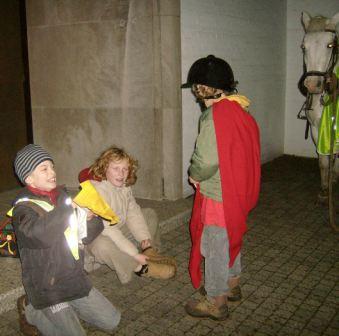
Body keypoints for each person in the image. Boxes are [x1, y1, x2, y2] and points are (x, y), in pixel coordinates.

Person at [181, 55, 261, 320]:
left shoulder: (214, 115)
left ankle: (216, 301)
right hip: (238, 192)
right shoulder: (240, 110)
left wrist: (194, 174)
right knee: (231, 238)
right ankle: (233, 285)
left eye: (196, 89)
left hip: (218, 193)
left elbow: (206, 161)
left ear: (200, 89)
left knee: (215, 245)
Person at [12, 144, 120, 336]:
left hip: (72, 278)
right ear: (29, 178)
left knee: (112, 320)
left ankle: (66, 308)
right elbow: (39, 235)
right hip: (47, 286)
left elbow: (83, 237)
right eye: (44, 168)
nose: (52, 172)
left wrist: (92, 218)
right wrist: (69, 210)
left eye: (52, 166)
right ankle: (32, 310)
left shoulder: (62, 197)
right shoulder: (23, 209)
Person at [80, 146, 176, 284]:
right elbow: (109, 230)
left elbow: (133, 212)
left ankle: (149, 251)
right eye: (116, 168)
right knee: (101, 245)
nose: (121, 174)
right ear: (104, 168)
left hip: (118, 228)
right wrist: (134, 253)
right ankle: (139, 267)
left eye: (125, 169)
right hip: (100, 235)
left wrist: (144, 238)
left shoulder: (124, 186)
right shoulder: (99, 192)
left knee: (149, 214)